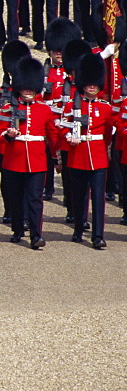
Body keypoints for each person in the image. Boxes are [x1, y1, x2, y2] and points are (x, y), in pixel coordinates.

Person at [0, 56, 59, 249]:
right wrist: (9, 135)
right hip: (14, 160)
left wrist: (57, 157)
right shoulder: (9, 109)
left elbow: (53, 136)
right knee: (15, 197)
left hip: (37, 160)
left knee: (34, 199)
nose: (28, 92)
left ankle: (36, 234)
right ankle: (17, 229)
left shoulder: (44, 110)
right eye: (25, 88)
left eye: (31, 88)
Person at [62, 53, 116, 249]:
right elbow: (62, 129)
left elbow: (109, 132)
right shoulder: (72, 105)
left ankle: (98, 235)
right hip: (78, 156)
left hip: (99, 157)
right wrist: (69, 138)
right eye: (89, 83)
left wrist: (105, 149)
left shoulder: (105, 108)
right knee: (79, 195)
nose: (92, 86)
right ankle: (78, 228)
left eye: (95, 84)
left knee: (98, 198)